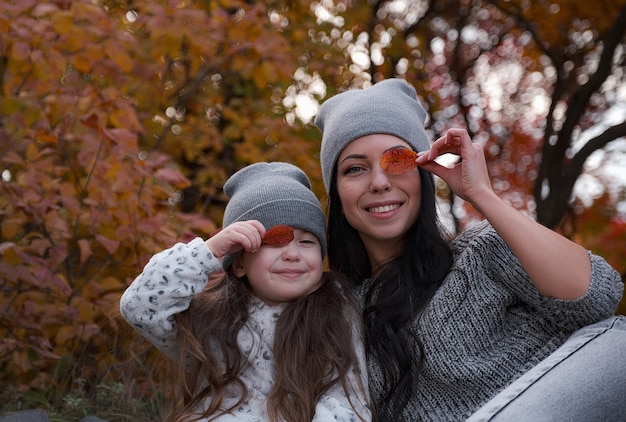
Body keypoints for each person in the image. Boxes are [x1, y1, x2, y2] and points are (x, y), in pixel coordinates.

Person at [314, 78, 626, 421]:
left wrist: (482, 195)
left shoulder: (482, 251)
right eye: (355, 169)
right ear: (337, 195)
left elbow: (598, 299)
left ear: (423, 174)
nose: (379, 182)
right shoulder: (339, 318)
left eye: (398, 160)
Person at [120, 162, 372, 422]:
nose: (294, 254)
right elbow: (139, 307)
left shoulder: (334, 312)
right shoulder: (211, 320)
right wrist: (208, 252)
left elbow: (345, 402)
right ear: (239, 262)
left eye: (307, 242)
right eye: (275, 241)